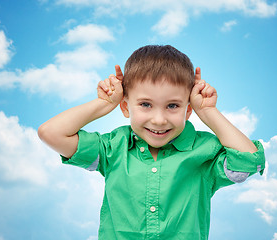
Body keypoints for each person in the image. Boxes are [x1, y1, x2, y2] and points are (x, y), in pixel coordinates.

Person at [38, 45, 265, 239]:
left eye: (173, 105)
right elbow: (51, 133)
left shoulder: (205, 152)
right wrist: (104, 104)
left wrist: (208, 111)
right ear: (126, 106)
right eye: (145, 104)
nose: (159, 119)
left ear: (188, 110)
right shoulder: (113, 148)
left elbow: (248, 160)